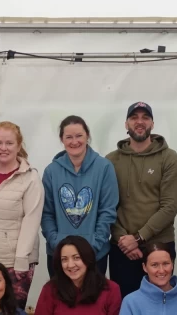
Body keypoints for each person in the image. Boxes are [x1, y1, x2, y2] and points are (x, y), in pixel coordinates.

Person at [106, 102, 177, 298]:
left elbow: (169, 206)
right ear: (126, 124)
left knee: (160, 303)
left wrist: (139, 238)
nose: (139, 122)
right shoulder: (110, 161)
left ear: (152, 123)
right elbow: (105, 206)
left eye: (145, 117)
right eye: (134, 118)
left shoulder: (169, 158)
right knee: (124, 305)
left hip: (159, 246)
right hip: (121, 247)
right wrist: (123, 239)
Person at [0, 122, 44, 309]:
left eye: (9, 143)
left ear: (19, 145)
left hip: (14, 266)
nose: (3, 148)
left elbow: (32, 220)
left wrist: (21, 262)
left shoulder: (30, 178)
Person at [41, 115, 119, 276]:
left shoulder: (104, 167)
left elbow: (107, 211)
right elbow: (46, 213)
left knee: (92, 300)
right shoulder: (51, 171)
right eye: (68, 137)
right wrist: (57, 244)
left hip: (95, 254)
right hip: (59, 256)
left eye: (79, 136)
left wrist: (94, 245)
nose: (74, 141)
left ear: (88, 136)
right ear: (62, 139)